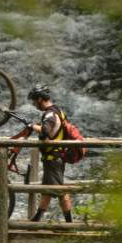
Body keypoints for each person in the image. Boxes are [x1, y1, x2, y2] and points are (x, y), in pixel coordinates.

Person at [27, 84, 73, 223]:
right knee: (47, 190)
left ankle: (70, 224)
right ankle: (37, 219)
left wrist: (31, 126)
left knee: (60, 191)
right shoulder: (57, 110)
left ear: (40, 99)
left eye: (35, 101)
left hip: (54, 158)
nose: (34, 104)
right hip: (54, 158)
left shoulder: (50, 114)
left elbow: (46, 130)